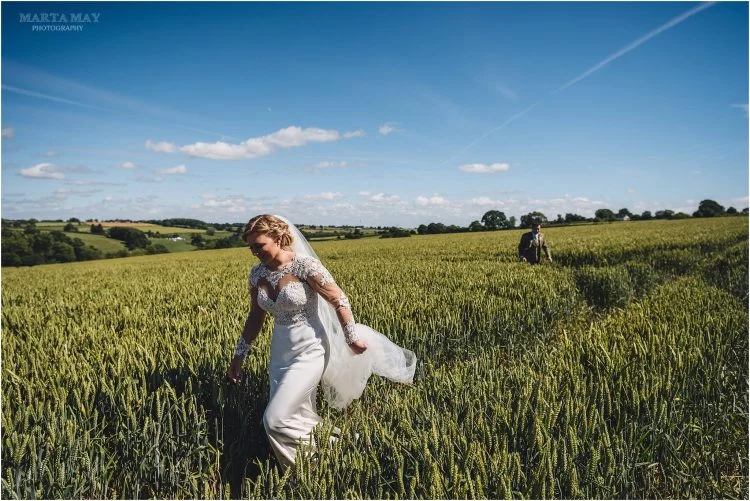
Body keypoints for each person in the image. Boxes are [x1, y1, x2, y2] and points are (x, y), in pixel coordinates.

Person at [227, 214, 416, 469]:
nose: (254, 252)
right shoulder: (257, 274)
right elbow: (255, 317)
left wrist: (351, 337)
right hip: (280, 353)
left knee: (274, 419)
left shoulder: (305, 266)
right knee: (297, 414)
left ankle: (303, 471)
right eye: (251, 247)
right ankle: (329, 458)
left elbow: (338, 299)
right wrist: (239, 356)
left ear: (278, 238)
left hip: (311, 348)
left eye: (259, 245)